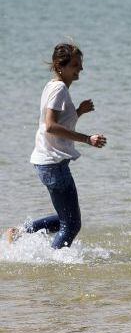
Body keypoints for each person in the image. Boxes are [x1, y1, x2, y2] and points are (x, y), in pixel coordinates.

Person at [6, 43, 107, 248]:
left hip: (48, 163)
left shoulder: (53, 85)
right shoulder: (59, 88)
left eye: (81, 64)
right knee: (71, 225)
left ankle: (19, 232)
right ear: (60, 66)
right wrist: (88, 139)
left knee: (65, 219)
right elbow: (51, 126)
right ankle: (54, 262)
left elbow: (56, 123)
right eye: (75, 65)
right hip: (53, 165)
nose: (80, 69)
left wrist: (78, 111)